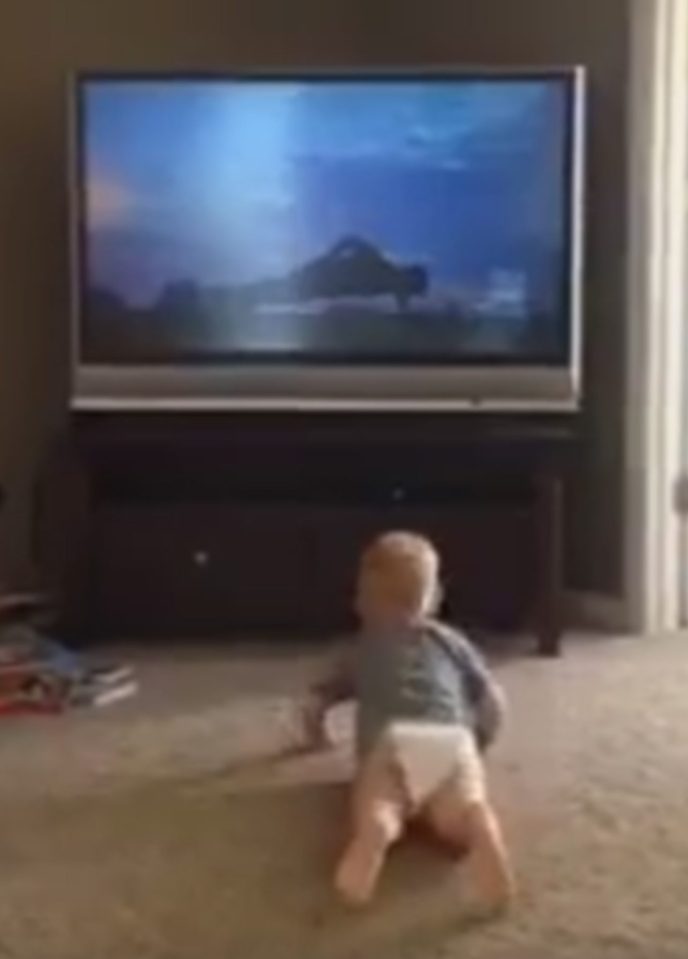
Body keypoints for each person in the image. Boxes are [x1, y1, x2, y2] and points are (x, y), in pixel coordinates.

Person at [300, 531, 514, 913]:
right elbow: (493, 701)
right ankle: (478, 824)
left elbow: (317, 700)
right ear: (432, 600)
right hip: (452, 740)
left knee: (378, 801)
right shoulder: (451, 641)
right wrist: (479, 743)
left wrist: (314, 734)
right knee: (459, 811)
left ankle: (377, 833)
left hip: (392, 741)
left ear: (364, 602)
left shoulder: (362, 646)